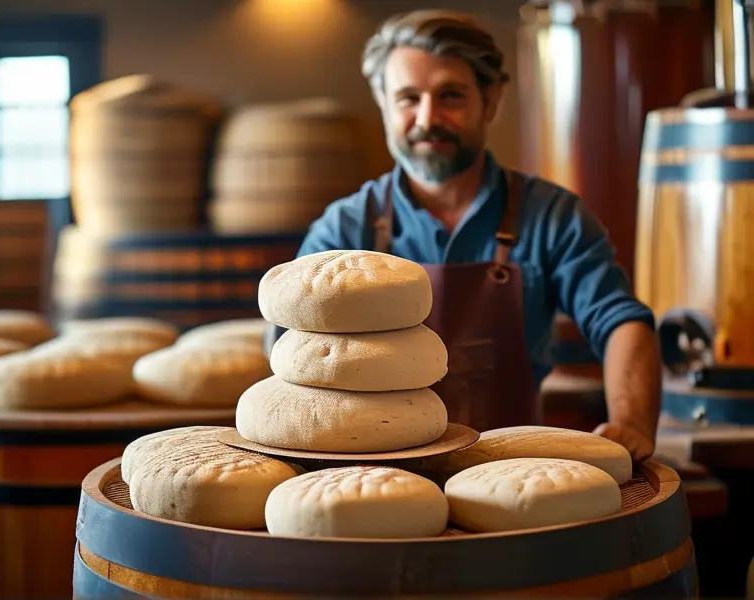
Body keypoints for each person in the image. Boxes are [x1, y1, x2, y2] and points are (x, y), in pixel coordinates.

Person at [267, 9, 661, 461]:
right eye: (408, 98)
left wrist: (630, 422)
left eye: (450, 95)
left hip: (514, 469)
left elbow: (620, 322)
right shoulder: (345, 229)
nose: (428, 118)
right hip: (372, 468)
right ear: (383, 103)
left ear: (490, 100)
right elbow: (289, 352)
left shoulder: (552, 215)